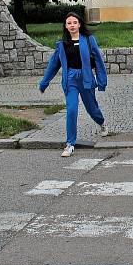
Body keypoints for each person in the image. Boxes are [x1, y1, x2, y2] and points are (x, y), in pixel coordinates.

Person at [39, 12, 109, 157]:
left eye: (74, 22)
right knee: (71, 110)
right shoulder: (62, 44)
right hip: (70, 79)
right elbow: (53, 65)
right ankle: (70, 144)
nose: (72, 25)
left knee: (92, 108)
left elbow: (98, 61)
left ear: (79, 24)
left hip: (86, 78)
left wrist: (102, 81)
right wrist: (44, 82)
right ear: (65, 26)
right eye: (69, 23)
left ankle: (102, 123)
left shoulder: (89, 40)